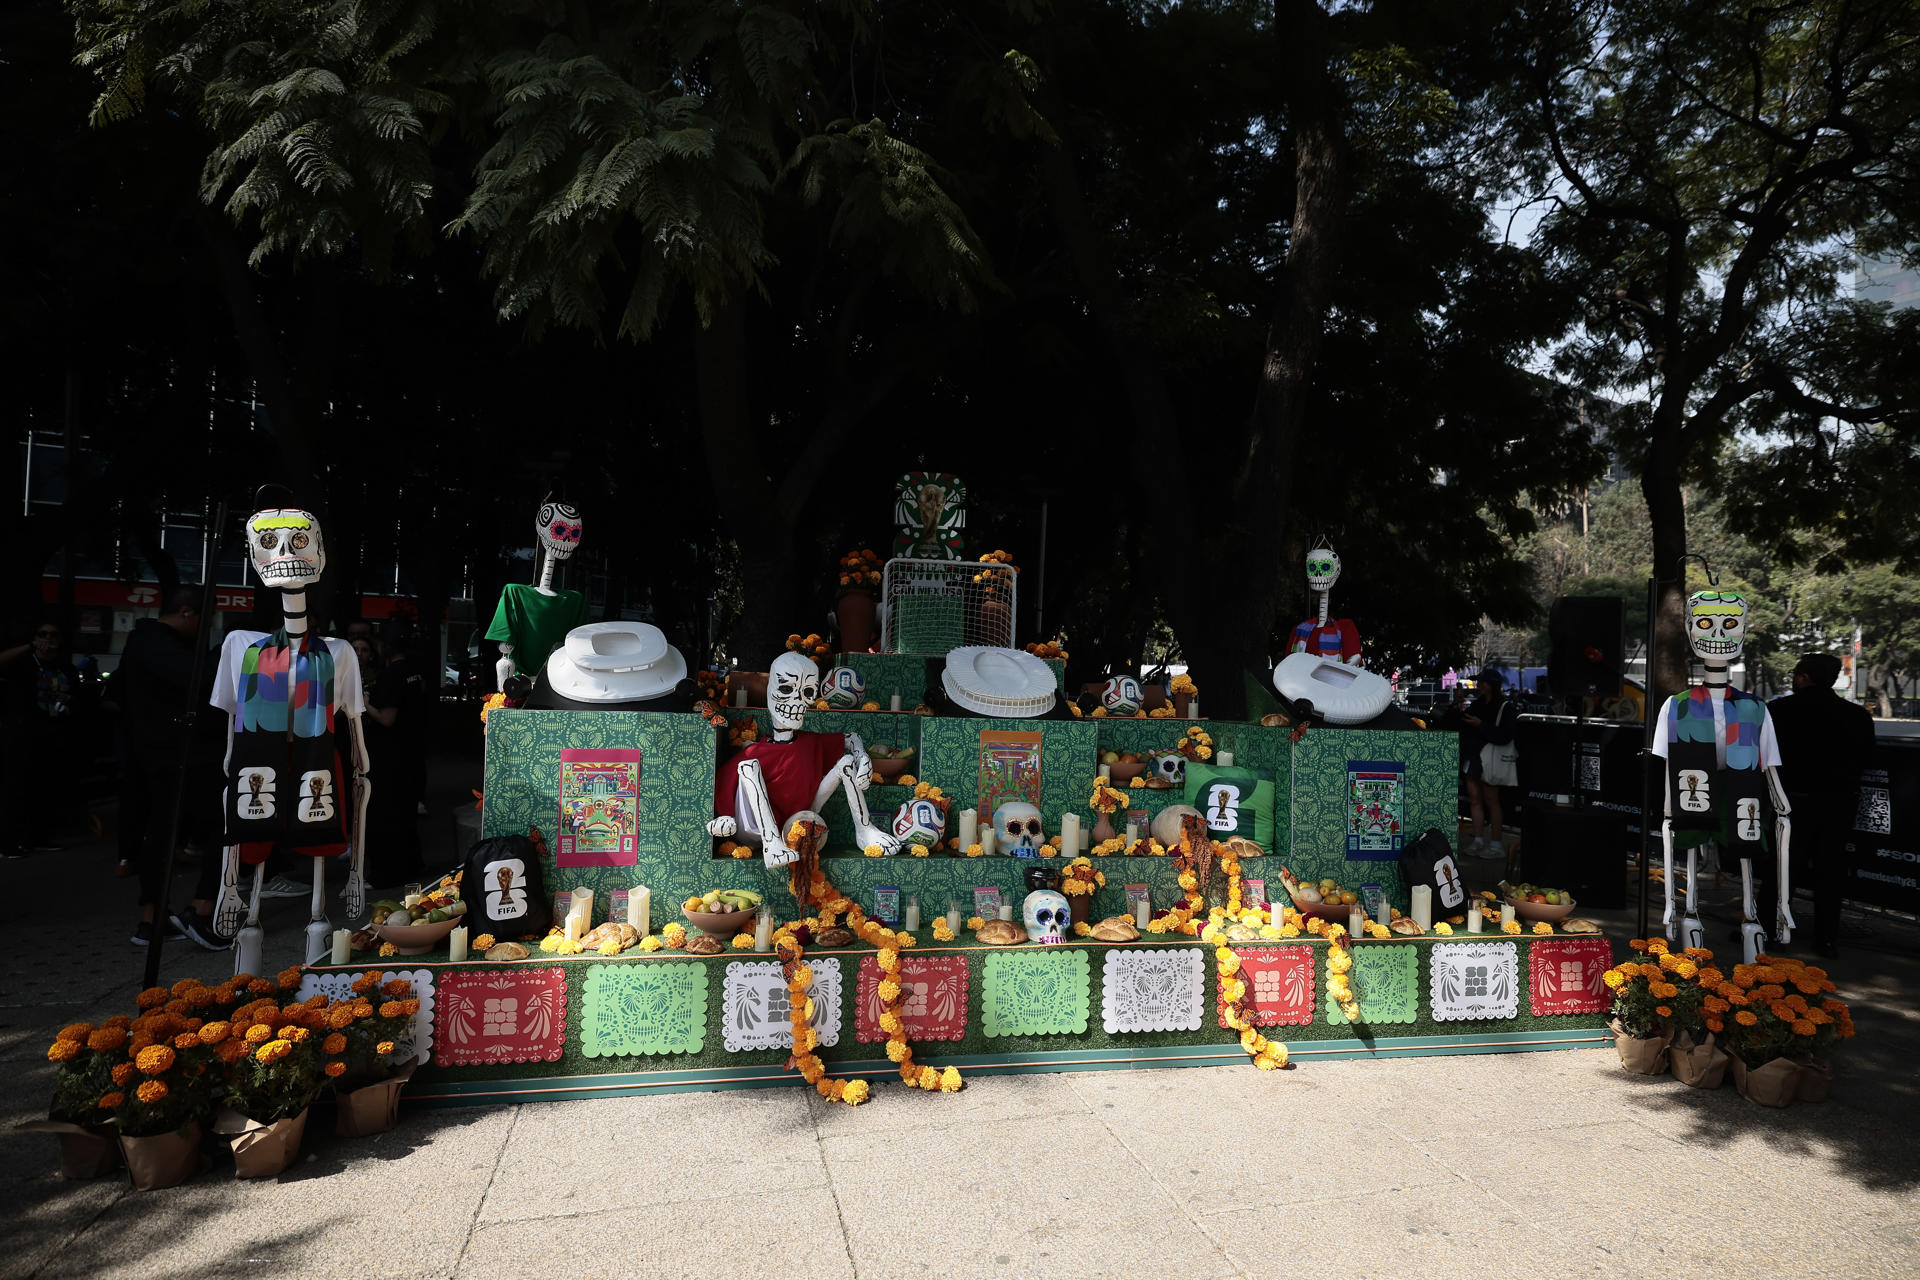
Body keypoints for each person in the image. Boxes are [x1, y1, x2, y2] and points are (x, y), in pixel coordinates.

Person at [118, 589, 229, 948]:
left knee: (163, 834)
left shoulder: (147, 643)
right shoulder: (155, 643)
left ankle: (153, 919)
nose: (205, 628)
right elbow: (197, 679)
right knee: (224, 824)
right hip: (179, 755)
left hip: (162, 753)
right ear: (185, 612)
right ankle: (200, 911)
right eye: (204, 620)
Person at [1768, 653, 1876, 957]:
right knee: (1830, 873)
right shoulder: (1857, 716)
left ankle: (1773, 930)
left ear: (1803, 677)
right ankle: (1826, 939)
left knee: (1782, 869)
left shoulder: (1778, 710)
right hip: (1838, 804)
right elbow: (1868, 759)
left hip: (1790, 803)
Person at [0, 620, 79, 856]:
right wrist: (28, 647)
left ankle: (36, 837)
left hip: (52, 733)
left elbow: (75, 696)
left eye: (53, 635)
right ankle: (8, 842)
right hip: (22, 734)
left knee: (44, 789)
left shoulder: (64, 668)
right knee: (15, 788)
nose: (48, 640)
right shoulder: (23, 665)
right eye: (42, 634)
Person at [1459, 670, 1518, 857]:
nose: (1479, 686)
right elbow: (1463, 722)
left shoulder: (1505, 706)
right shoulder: (1477, 704)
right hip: (1475, 756)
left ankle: (1496, 843)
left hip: (1491, 758)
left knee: (1492, 800)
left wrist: (1480, 726)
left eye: (1483, 683)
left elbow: (1505, 736)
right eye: (1479, 682)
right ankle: (1478, 840)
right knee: (1475, 799)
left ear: (1492, 684)